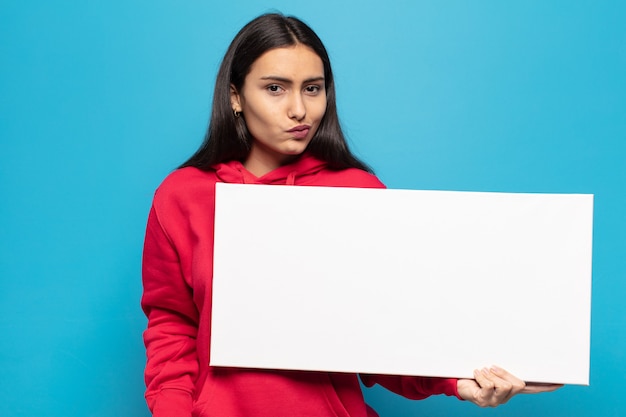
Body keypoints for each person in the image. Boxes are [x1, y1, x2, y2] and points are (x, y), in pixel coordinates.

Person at [141, 13, 561, 417]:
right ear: (236, 95)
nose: (299, 110)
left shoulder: (358, 192)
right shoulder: (183, 197)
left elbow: (387, 334)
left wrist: (458, 382)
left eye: (312, 88)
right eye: (274, 88)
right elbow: (172, 329)